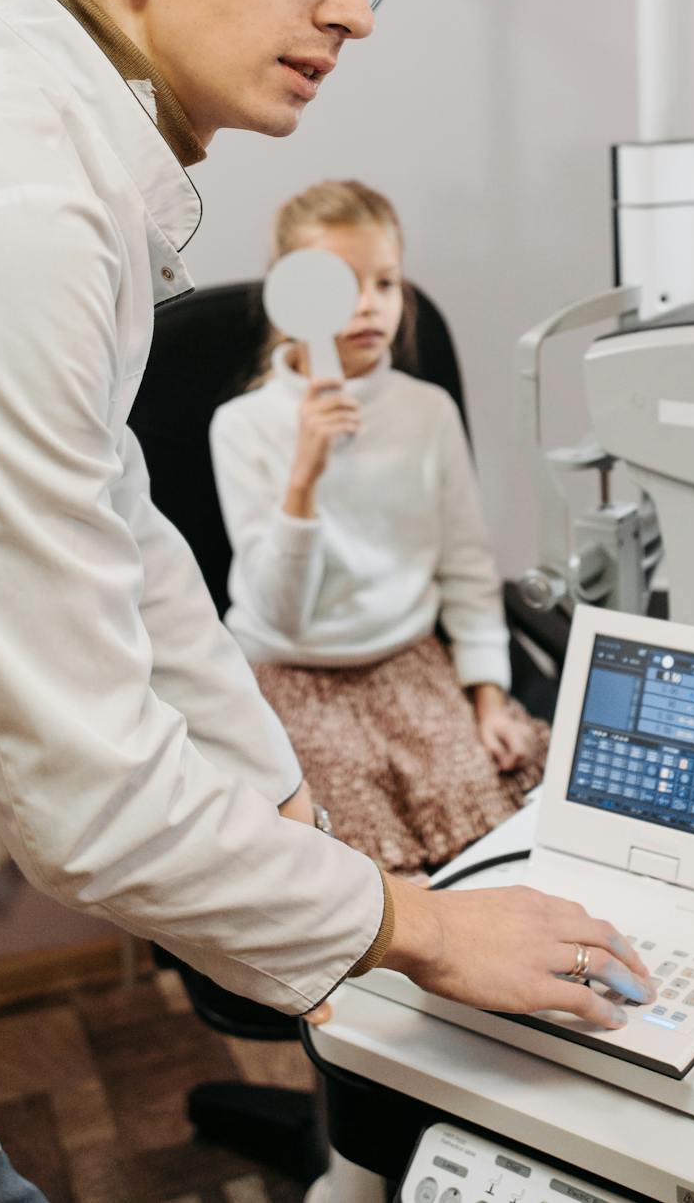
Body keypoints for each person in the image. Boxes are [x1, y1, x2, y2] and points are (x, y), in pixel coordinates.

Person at [0, 0, 648, 1203]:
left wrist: (280, 811)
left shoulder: (59, 148)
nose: (352, 7)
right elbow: (78, 784)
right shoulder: (6, 207)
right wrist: (414, 927)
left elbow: (123, 527)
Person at [212, 179, 549, 876]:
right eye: (341, 285)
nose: (370, 303)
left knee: (489, 846)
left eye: (387, 282)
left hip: (408, 661)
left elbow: (465, 563)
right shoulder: (243, 427)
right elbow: (277, 612)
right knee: (356, 874)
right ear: (291, 296)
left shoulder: (426, 412)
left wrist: (487, 690)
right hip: (293, 676)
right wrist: (303, 476)